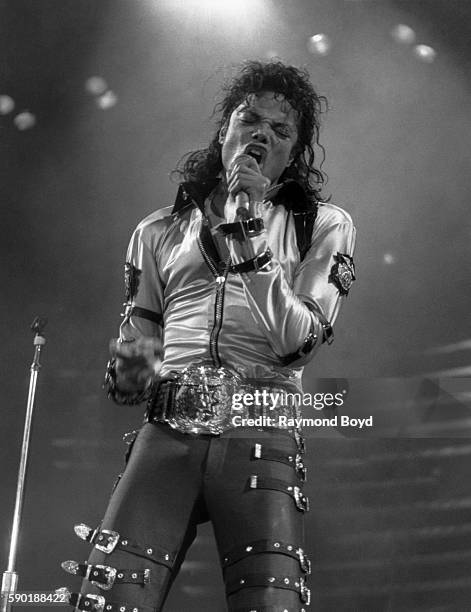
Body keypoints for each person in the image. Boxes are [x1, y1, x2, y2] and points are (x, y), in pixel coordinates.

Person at [58, 60, 356, 612]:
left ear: (294, 155)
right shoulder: (156, 231)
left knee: (270, 604)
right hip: (166, 433)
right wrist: (130, 366)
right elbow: (132, 369)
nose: (261, 133)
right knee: (106, 600)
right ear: (225, 131)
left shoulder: (324, 224)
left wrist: (248, 233)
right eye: (249, 119)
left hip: (261, 428)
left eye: (281, 130)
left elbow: (298, 341)